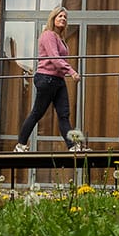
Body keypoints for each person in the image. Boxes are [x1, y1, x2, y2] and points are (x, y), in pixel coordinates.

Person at [14, 8, 83, 152]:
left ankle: (73, 146)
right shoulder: (48, 35)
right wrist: (71, 71)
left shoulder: (60, 39)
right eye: (60, 16)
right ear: (53, 18)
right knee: (37, 113)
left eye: (65, 17)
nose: (63, 19)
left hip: (58, 80)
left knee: (64, 115)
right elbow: (54, 58)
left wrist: (66, 72)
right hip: (46, 78)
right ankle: (20, 145)